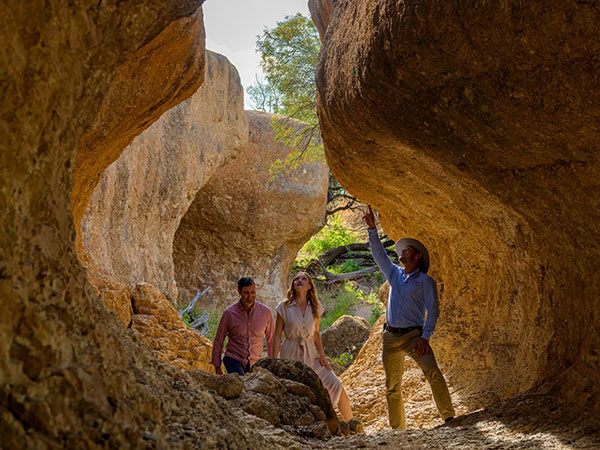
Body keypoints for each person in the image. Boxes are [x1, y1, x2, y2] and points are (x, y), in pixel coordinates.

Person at [363, 205, 455, 429]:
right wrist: (372, 230)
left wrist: (425, 337)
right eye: (402, 251)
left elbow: (433, 310)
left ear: (417, 256)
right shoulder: (394, 273)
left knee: (432, 371)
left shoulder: (425, 282)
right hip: (390, 338)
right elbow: (379, 255)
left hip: (415, 337)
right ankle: (398, 429)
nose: (401, 253)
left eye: (406, 251)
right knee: (392, 385)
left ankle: (449, 417)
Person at [272, 271, 354, 421]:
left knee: (335, 383)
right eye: (296, 279)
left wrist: (322, 355)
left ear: (310, 286)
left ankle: (353, 424)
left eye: (304, 279)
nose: (299, 280)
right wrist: (273, 359)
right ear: (293, 284)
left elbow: (316, 333)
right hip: (290, 352)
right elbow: (277, 335)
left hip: (311, 353)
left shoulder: (316, 307)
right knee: (295, 390)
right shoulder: (283, 307)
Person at [211, 277, 274, 375]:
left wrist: (273, 364)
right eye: (246, 292)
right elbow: (219, 339)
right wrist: (217, 365)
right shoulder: (229, 313)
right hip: (234, 358)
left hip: (256, 362)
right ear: (239, 292)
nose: (250, 296)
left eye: (253, 292)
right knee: (239, 381)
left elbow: (271, 339)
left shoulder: (266, 312)